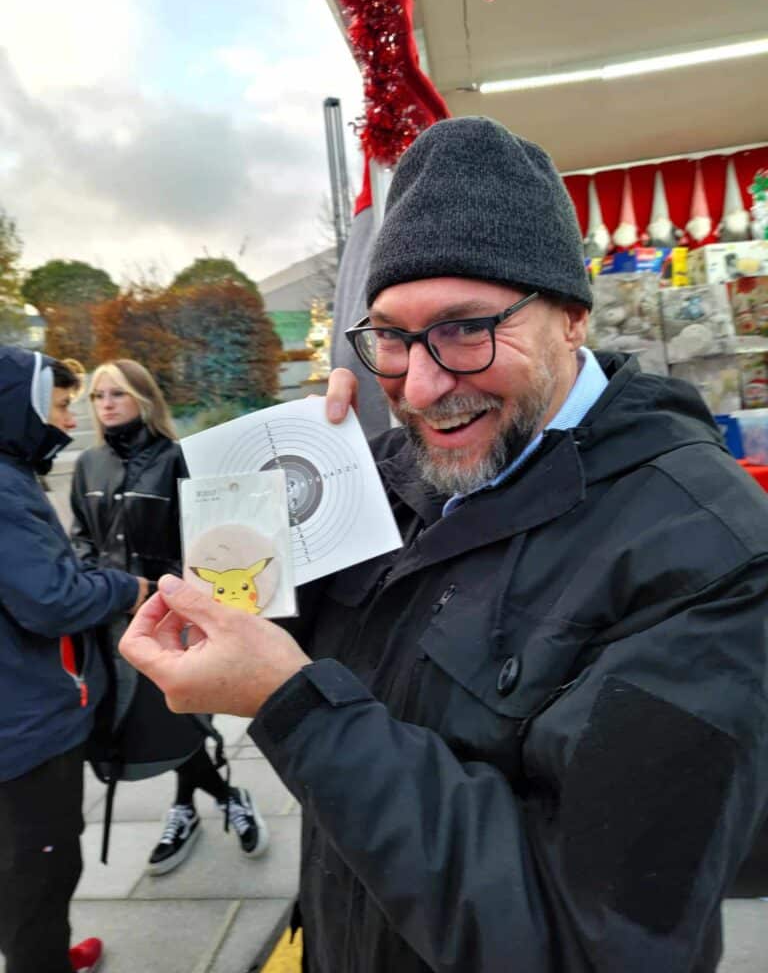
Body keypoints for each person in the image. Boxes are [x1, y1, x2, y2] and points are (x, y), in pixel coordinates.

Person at [120, 117, 768, 973]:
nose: (420, 388)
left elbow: (585, 943)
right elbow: (324, 645)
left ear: (571, 317)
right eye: (392, 335)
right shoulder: (390, 471)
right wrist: (277, 484)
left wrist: (295, 709)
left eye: (466, 328)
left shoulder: (711, 558)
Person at [70, 358, 268, 873]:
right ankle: (209, 800)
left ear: (143, 397)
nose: (106, 403)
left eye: (117, 393)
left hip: (170, 615)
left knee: (178, 714)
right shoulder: (89, 464)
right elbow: (82, 537)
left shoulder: (177, 458)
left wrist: (170, 594)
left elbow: (201, 538)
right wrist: (97, 584)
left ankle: (207, 801)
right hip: (108, 617)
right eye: (97, 395)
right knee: (144, 723)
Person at [0, 346, 149, 973]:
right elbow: (53, 599)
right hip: (26, 732)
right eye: (62, 407)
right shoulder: (5, 490)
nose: (69, 422)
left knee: (20, 863)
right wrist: (126, 588)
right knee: (43, 866)